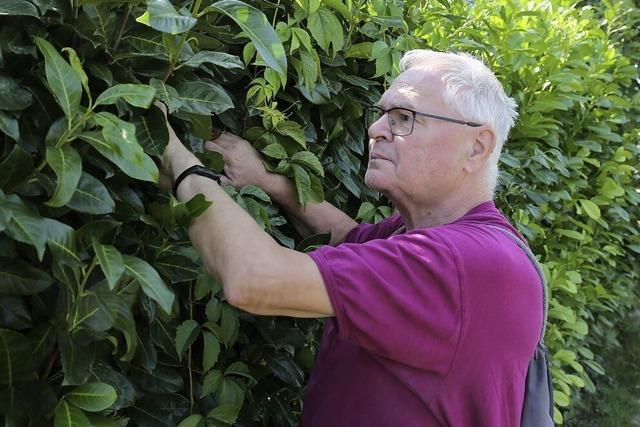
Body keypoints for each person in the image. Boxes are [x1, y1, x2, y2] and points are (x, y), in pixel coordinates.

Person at [160, 49, 542, 427]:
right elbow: (347, 237)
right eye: (381, 115)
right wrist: (265, 180)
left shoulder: (461, 265)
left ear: (476, 147)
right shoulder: (431, 233)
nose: (376, 130)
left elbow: (253, 278)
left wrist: (178, 161)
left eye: (403, 117)